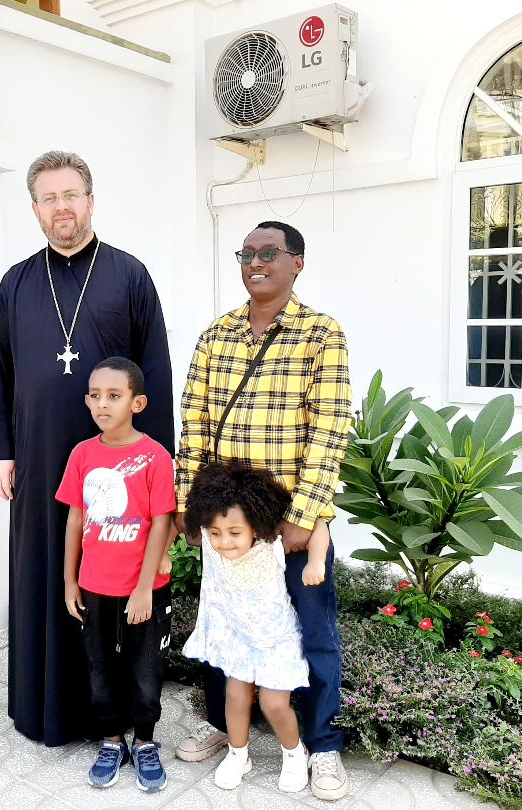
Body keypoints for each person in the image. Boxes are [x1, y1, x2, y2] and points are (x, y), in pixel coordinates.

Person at [0, 150, 175, 746]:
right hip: (40, 459)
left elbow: (155, 372)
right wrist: (0, 451)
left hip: (121, 464)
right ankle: (45, 709)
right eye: (49, 198)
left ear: (90, 201)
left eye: (71, 195)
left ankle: (115, 719)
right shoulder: (15, 283)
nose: (61, 207)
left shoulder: (129, 275)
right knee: (46, 573)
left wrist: (159, 471)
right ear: (35, 209)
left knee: (114, 583)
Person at [173, 221, 353, 801]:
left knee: (312, 634)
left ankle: (322, 747)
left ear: (296, 262)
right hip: (226, 528)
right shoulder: (215, 335)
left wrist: (303, 515)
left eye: (269, 252)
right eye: (247, 253)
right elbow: (194, 426)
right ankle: (226, 728)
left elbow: (330, 429)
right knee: (222, 625)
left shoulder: (321, 335)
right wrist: (189, 508)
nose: (256, 261)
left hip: (289, 527)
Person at [55, 357, 175, 792]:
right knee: (100, 668)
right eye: (94, 395)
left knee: (145, 672)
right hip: (94, 586)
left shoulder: (155, 456)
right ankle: (111, 740)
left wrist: (144, 588)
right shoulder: (82, 454)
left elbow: (161, 523)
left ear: (136, 403)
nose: (101, 404)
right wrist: (70, 581)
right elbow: (75, 519)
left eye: (114, 395)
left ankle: (144, 741)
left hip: (146, 589)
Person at [183, 463, 310, 793]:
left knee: (273, 703)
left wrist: (316, 560)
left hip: (275, 639)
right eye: (215, 533)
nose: (224, 542)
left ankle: (294, 752)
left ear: (255, 524)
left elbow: (320, 525)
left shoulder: (271, 542)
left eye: (234, 533)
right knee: (235, 696)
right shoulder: (212, 541)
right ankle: (239, 754)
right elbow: (175, 522)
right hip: (238, 636)